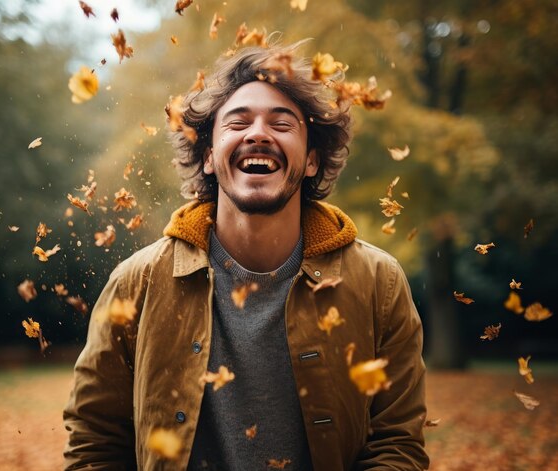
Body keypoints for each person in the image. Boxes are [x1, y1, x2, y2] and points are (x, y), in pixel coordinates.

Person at [64, 41, 429, 470]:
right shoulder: (136, 282)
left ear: (311, 160)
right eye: (238, 122)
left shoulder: (378, 283)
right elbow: (94, 441)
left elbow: (398, 443)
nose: (258, 133)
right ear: (208, 158)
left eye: (282, 123)